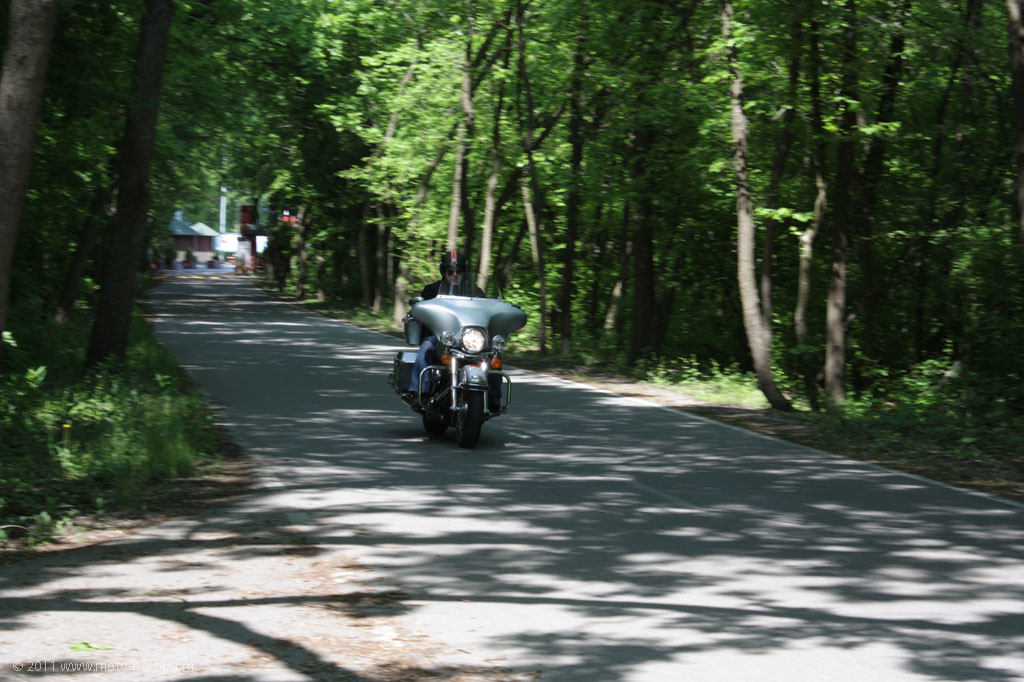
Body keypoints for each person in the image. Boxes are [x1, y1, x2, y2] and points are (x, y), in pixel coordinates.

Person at [408, 250, 502, 412]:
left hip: (470, 340)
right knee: (427, 346)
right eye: (450, 271)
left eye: (458, 271)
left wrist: (500, 308)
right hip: (442, 338)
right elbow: (420, 308)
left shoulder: (475, 292)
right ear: (443, 272)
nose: (454, 274)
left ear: (464, 273)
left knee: (494, 353)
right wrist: (418, 307)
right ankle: (419, 391)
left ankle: (493, 394)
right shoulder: (432, 290)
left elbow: (489, 309)